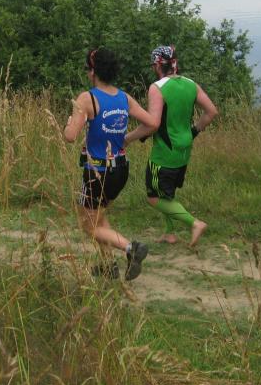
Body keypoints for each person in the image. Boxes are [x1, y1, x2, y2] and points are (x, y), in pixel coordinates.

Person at [63, 48, 159, 280]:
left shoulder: (87, 98)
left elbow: (70, 136)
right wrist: (127, 138)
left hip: (97, 172)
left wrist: (68, 122)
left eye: (88, 69)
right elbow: (152, 123)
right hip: (120, 170)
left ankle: (131, 248)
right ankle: (108, 265)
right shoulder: (124, 98)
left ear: (93, 71)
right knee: (98, 217)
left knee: (89, 225)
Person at [125, 45, 218, 247]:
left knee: (153, 197)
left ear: (158, 65)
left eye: (153, 65)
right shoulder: (191, 84)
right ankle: (170, 233)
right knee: (167, 193)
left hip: (164, 152)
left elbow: (153, 124)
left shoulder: (157, 88)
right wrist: (194, 131)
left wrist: (128, 138)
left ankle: (194, 223)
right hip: (184, 149)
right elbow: (211, 111)